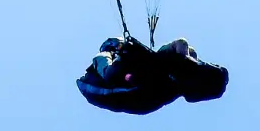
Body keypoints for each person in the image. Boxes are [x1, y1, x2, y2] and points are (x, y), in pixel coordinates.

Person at [76, 35, 229, 115]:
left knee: (111, 73)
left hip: (102, 88)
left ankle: (114, 55)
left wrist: (129, 54)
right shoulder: (179, 62)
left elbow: (131, 76)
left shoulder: (161, 90)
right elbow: (174, 50)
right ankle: (119, 53)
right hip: (137, 78)